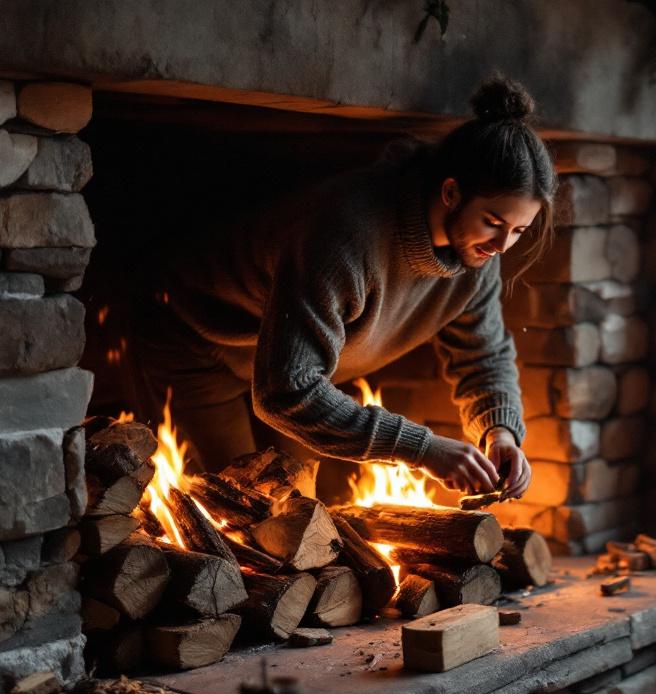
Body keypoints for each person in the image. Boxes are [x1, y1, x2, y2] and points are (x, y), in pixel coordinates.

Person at [128, 76, 555, 499]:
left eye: (519, 230)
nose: (502, 246)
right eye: (493, 223)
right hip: (199, 346)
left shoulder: (476, 259)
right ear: (450, 192)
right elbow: (287, 392)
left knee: (298, 509)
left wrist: (500, 431)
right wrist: (422, 449)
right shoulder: (347, 236)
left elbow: (484, 357)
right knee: (244, 511)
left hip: (293, 368)